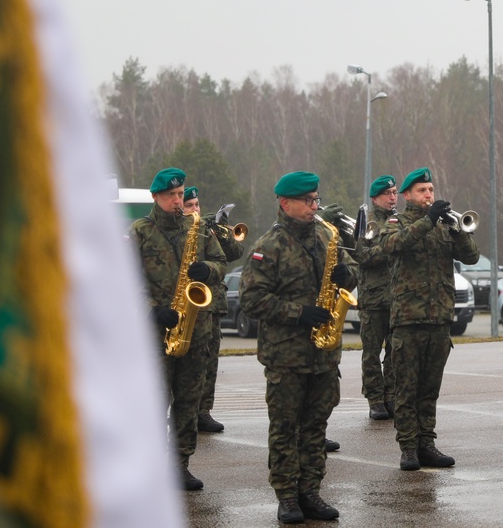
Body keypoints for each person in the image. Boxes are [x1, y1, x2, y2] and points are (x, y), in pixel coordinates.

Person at [239, 171, 358, 524]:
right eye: (307, 200)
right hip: (287, 356)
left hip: (323, 355)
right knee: (285, 427)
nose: (314, 206)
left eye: (316, 199)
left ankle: (311, 492)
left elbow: (350, 267)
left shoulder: (326, 235)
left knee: (316, 427)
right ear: (284, 202)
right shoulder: (268, 246)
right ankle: (287, 496)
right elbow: (251, 299)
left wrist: (347, 275)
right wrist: (299, 312)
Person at [130, 168, 227, 491]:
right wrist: (151, 311)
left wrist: (207, 270)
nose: (177, 200)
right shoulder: (140, 232)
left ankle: (180, 464)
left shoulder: (197, 228)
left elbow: (221, 263)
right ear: (156, 197)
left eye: (180, 194)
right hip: (155, 334)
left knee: (188, 401)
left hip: (194, 330)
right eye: (171, 195)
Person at [378, 167, 479, 471]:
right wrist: (428, 220)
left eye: (431, 190)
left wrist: (458, 230)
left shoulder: (444, 225)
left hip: (439, 319)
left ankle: (427, 444)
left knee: (429, 389)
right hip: (409, 320)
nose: (429, 196)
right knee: (407, 389)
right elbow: (391, 246)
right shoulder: (397, 222)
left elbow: (472, 256)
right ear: (407, 195)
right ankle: (408, 448)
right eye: (422, 191)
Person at [180, 187, 246, 434]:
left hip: (211, 305)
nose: (195, 209)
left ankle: (203, 412)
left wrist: (222, 228)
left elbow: (234, 254)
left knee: (209, 362)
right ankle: (179, 411)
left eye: (197, 204)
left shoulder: (207, 230)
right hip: (181, 305)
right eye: (190, 205)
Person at [352, 175, 399, 420]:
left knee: (394, 353)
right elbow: (362, 255)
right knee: (371, 353)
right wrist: (391, 246)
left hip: (397, 299)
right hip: (373, 300)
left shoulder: (398, 221)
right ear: (375, 198)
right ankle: (375, 400)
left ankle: (390, 396)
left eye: (394, 192)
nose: (393, 197)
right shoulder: (366, 221)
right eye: (388, 193)